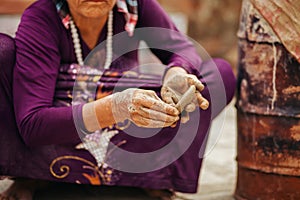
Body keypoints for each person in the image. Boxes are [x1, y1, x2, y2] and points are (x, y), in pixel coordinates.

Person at [0, 0, 236, 199]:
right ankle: (29, 173)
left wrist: (177, 72)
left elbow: (183, 49)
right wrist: (116, 106)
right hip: (60, 130)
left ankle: (151, 176)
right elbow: (33, 124)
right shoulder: (42, 17)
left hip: (125, 130)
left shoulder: (134, 5)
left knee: (217, 74)